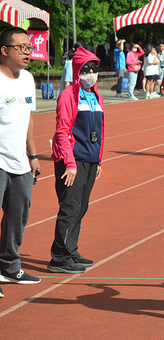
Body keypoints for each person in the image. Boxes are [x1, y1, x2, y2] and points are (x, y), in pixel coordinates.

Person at [48, 46, 104, 274]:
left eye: (94, 68)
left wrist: (98, 159)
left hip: (90, 160)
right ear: (77, 70)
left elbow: (99, 129)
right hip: (72, 161)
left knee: (81, 208)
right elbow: (62, 131)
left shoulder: (96, 96)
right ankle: (58, 258)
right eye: (86, 68)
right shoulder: (67, 95)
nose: (91, 73)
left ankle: (70, 249)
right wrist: (69, 163)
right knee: (70, 208)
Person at [0, 27, 42, 288]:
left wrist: (33, 155)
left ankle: (9, 267)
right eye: (22, 47)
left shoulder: (27, 78)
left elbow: (28, 118)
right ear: (4, 51)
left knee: (18, 216)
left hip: (21, 162)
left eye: (30, 47)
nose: (28, 52)